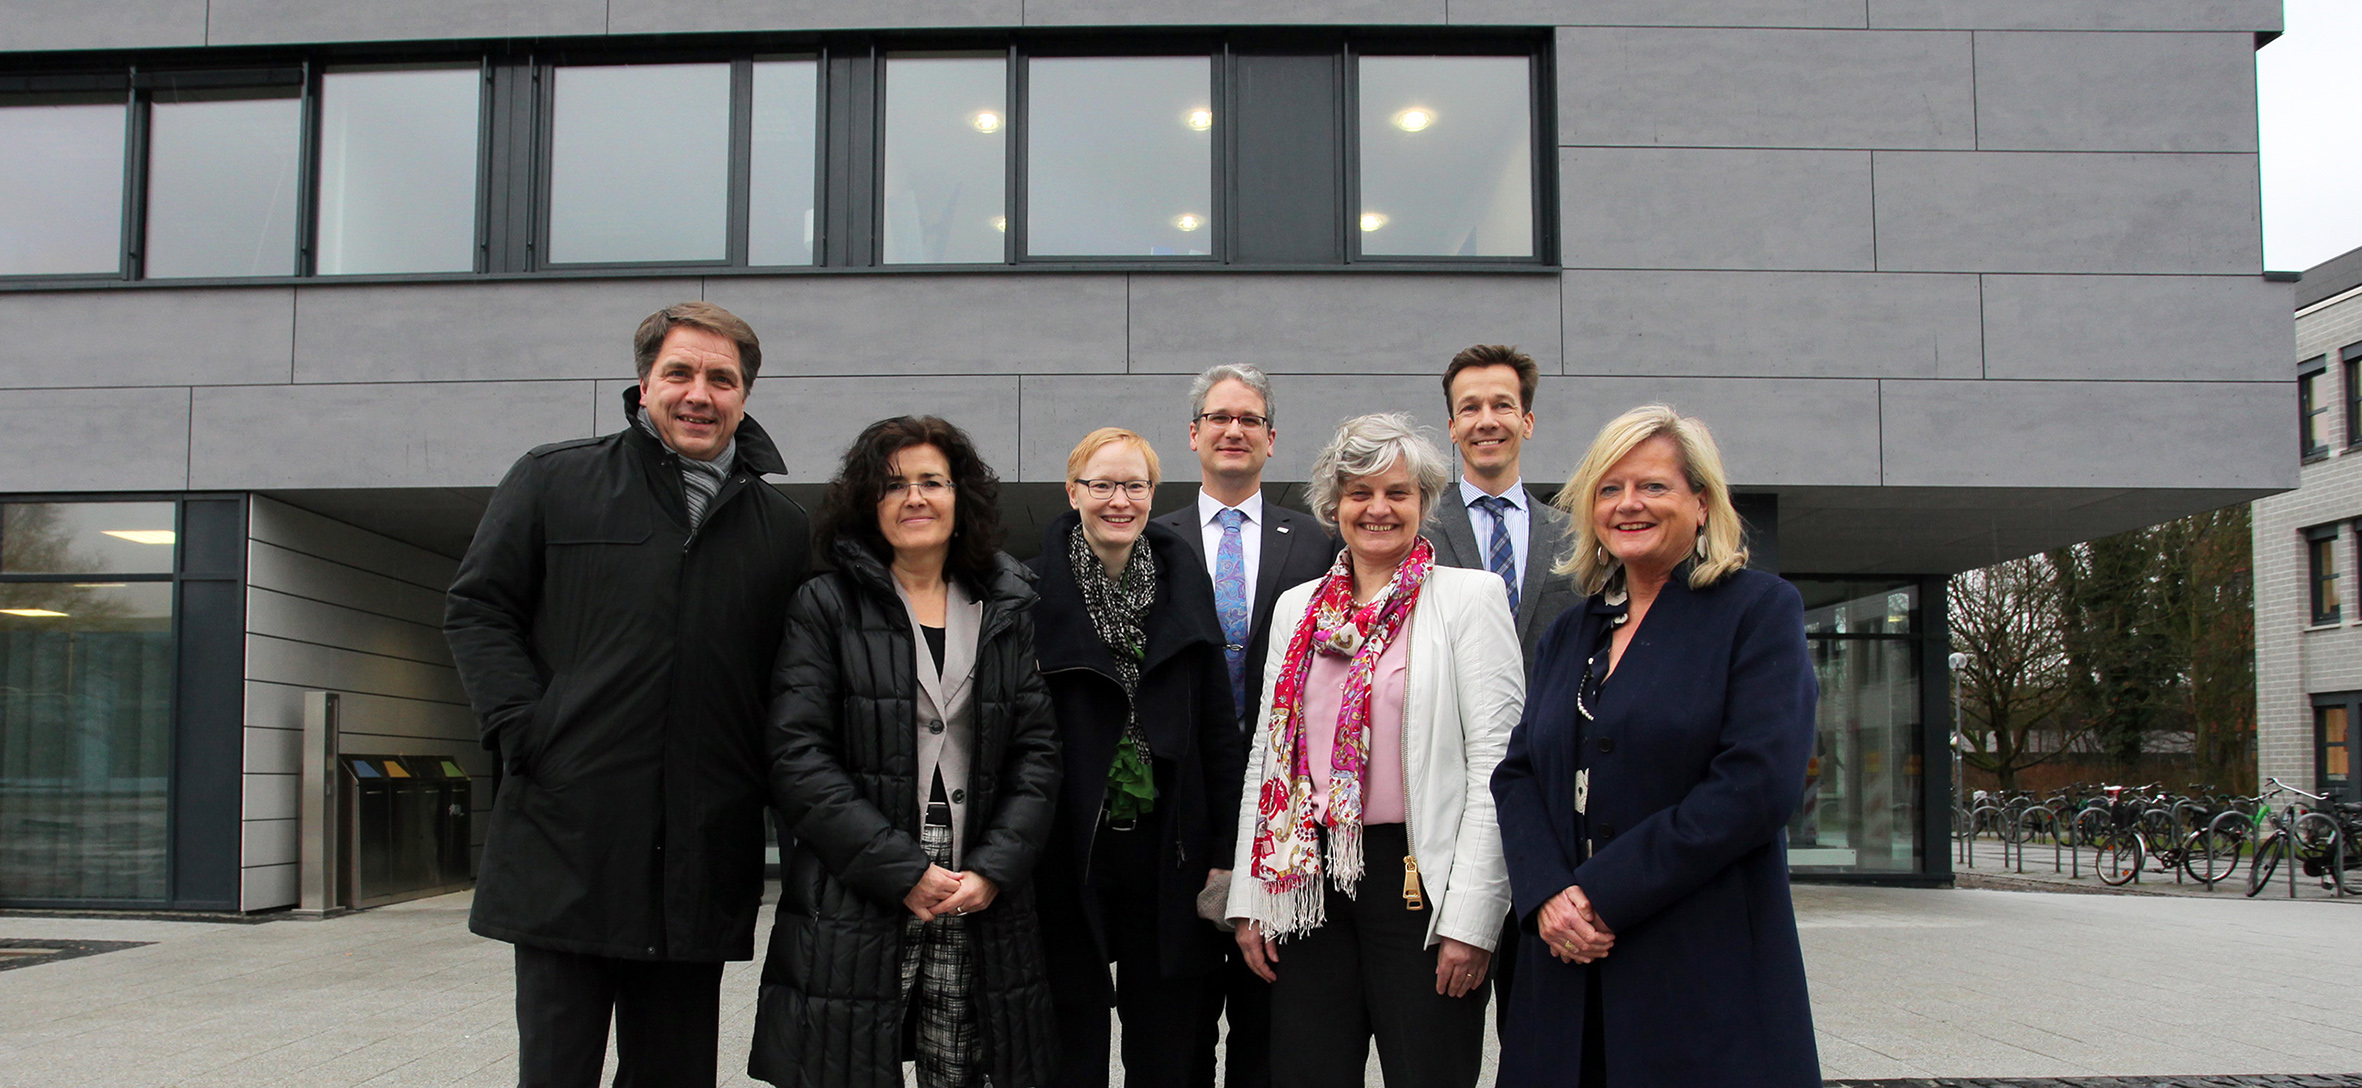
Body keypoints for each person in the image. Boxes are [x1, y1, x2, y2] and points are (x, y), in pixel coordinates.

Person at [445, 301, 812, 1088]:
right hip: (568, 841)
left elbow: (792, 679)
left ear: (745, 394)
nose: (699, 394)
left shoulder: (783, 529)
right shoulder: (554, 479)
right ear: (644, 385)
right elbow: (479, 608)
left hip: (700, 856)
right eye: (679, 373)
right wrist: (525, 729)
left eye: (721, 379)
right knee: (557, 1072)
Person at [1491, 404, 1819, 1088]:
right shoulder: (1571, 631)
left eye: (1653, 486)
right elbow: (1518, 773)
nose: (1628, 504)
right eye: (1609, 489)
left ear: (1701, 503)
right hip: (1564, 966)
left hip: (1697, 966)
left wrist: (1599, 892)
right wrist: (1547, 893)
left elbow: (1756, 786)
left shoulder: (1757, 611)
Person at [752, 416, 1061, 1088]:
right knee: (848, 1061)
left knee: (962, 1063)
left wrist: (994, 869)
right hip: (861, 876)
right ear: (868, 502)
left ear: (960, 497)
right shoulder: (825, 604)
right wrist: (899, 868)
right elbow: (797, 755)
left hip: (976, 880)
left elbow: (1037, 755)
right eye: (893, 485)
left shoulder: (1004, 606)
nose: (914, 497)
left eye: (931, 482)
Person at [1224, 413, 1522, 1088]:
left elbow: (1497, 770)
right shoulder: (1300, 609)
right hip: (1307, 880)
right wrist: (1252, 895)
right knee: (1307, 1073)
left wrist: (1473, 919)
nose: (1378, 508)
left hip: (1419, 882)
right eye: (1359, 493)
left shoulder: (1469, 600)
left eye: (1397, 492)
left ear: (1424, 503)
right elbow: (1267, 760)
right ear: (1335, 505)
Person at [1029, 428, 1249, 1088]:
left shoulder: (1185, 585)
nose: (1118, 500)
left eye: (1134, 485)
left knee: (1168, 1040)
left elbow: (1218, 732)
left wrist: (1226, 848)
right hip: (1068, 845)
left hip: (1169, 847)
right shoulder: (1032, 592)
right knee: (1069, 1036)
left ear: (1153, 493)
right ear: (1073, 493)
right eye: (1101, 485)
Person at [1148, 364, 1334, 1088]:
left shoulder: (1318, 544)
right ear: (1193, 434)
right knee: (1176, 1034)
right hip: (1180, 815)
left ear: (1271, 439)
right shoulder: (1152, 541)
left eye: (1249, 419)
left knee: (1271, 1031)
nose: (1234, 430)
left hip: (1285, 813)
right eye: (1219, 418)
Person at [1422, 343, 1579, 1029]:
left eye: (1502, 406)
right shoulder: (1415, 531)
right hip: (1446, 805)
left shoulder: (1578, 535)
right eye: (1470, 408)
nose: (1486, 420)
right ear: (1452, 427)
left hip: (1550, 802)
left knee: (1538, 1026)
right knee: (1441, 1028)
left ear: (1527, 421)